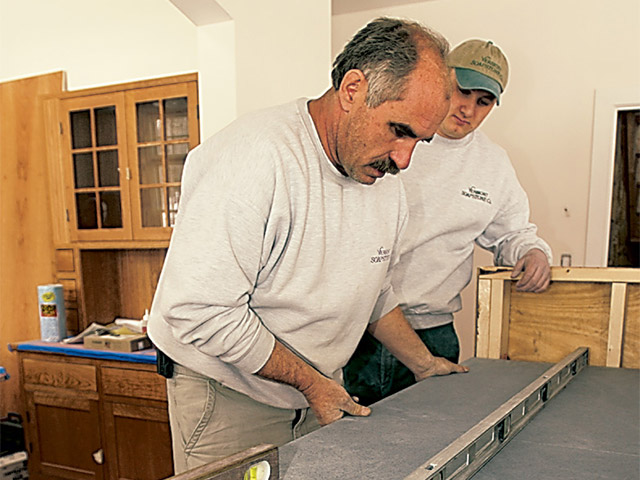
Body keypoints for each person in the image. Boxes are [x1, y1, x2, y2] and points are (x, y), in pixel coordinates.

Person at [147, 17, 467, 473]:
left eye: (420, 140)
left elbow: (374, 289)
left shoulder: (383, 181)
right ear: (353, 89)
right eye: (399, 130)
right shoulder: (255, 158)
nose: (404, 159)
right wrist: (312, 383)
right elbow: (199, 311)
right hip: (230, 398)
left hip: (315, 392)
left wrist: (424, 363)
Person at [344, 39, 553, 406]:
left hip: (437, 330)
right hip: (367, 329)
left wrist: (533, 251)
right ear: (443, 79)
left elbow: (514, 232)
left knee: (436, 444)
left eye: (483, 101)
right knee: (359, 447)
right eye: (462, 91)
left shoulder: (493, 164)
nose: (467, 109)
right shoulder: (393, 138)